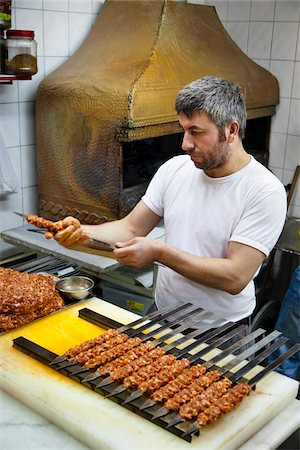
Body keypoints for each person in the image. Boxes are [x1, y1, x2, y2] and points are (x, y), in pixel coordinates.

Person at [48, 76, 287, 326]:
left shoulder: (264, 191)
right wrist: (79, 233)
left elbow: (235, 277)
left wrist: (159, 252)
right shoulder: (175, 169)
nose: (185, 144)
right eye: (184, 130)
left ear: (231, 130)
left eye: (196, 132)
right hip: (163, 313)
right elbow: (130, 228)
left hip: (221, 329)